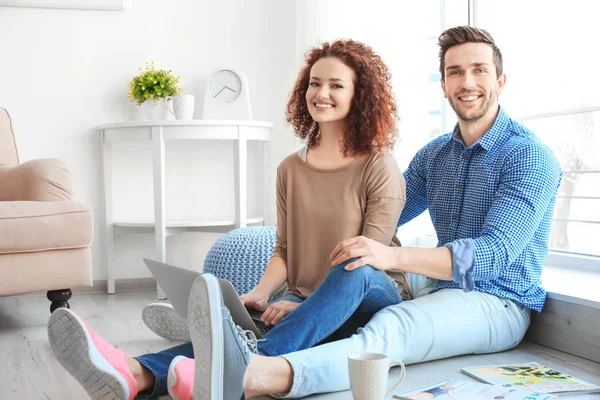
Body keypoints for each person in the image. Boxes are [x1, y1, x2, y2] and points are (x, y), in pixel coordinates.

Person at [184, 26, 563, 399]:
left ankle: (261, 372)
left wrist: (389, 254)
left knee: (391, 324)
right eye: (455, 72)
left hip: (498, 301)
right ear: (443, 85)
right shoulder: (436, 155)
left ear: (501, 80)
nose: (467, 82)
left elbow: (492, 254)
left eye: (479, 70)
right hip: (437, 286)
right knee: (332, 293)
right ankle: (169, 365)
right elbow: (375, 216)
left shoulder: (528, 156)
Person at [47, 39, 413, 400]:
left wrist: (302, 302)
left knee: (354, 268)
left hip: (372, 292)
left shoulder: (379, 166)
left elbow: (369, 255)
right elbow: (284, 250)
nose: (322, 93)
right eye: (315, 83)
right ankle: (135, 372)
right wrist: (260, 293)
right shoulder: (289, 169)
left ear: (359, 96)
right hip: (305, 300)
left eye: (336, 85)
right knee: (238, 335)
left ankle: (252, 365)